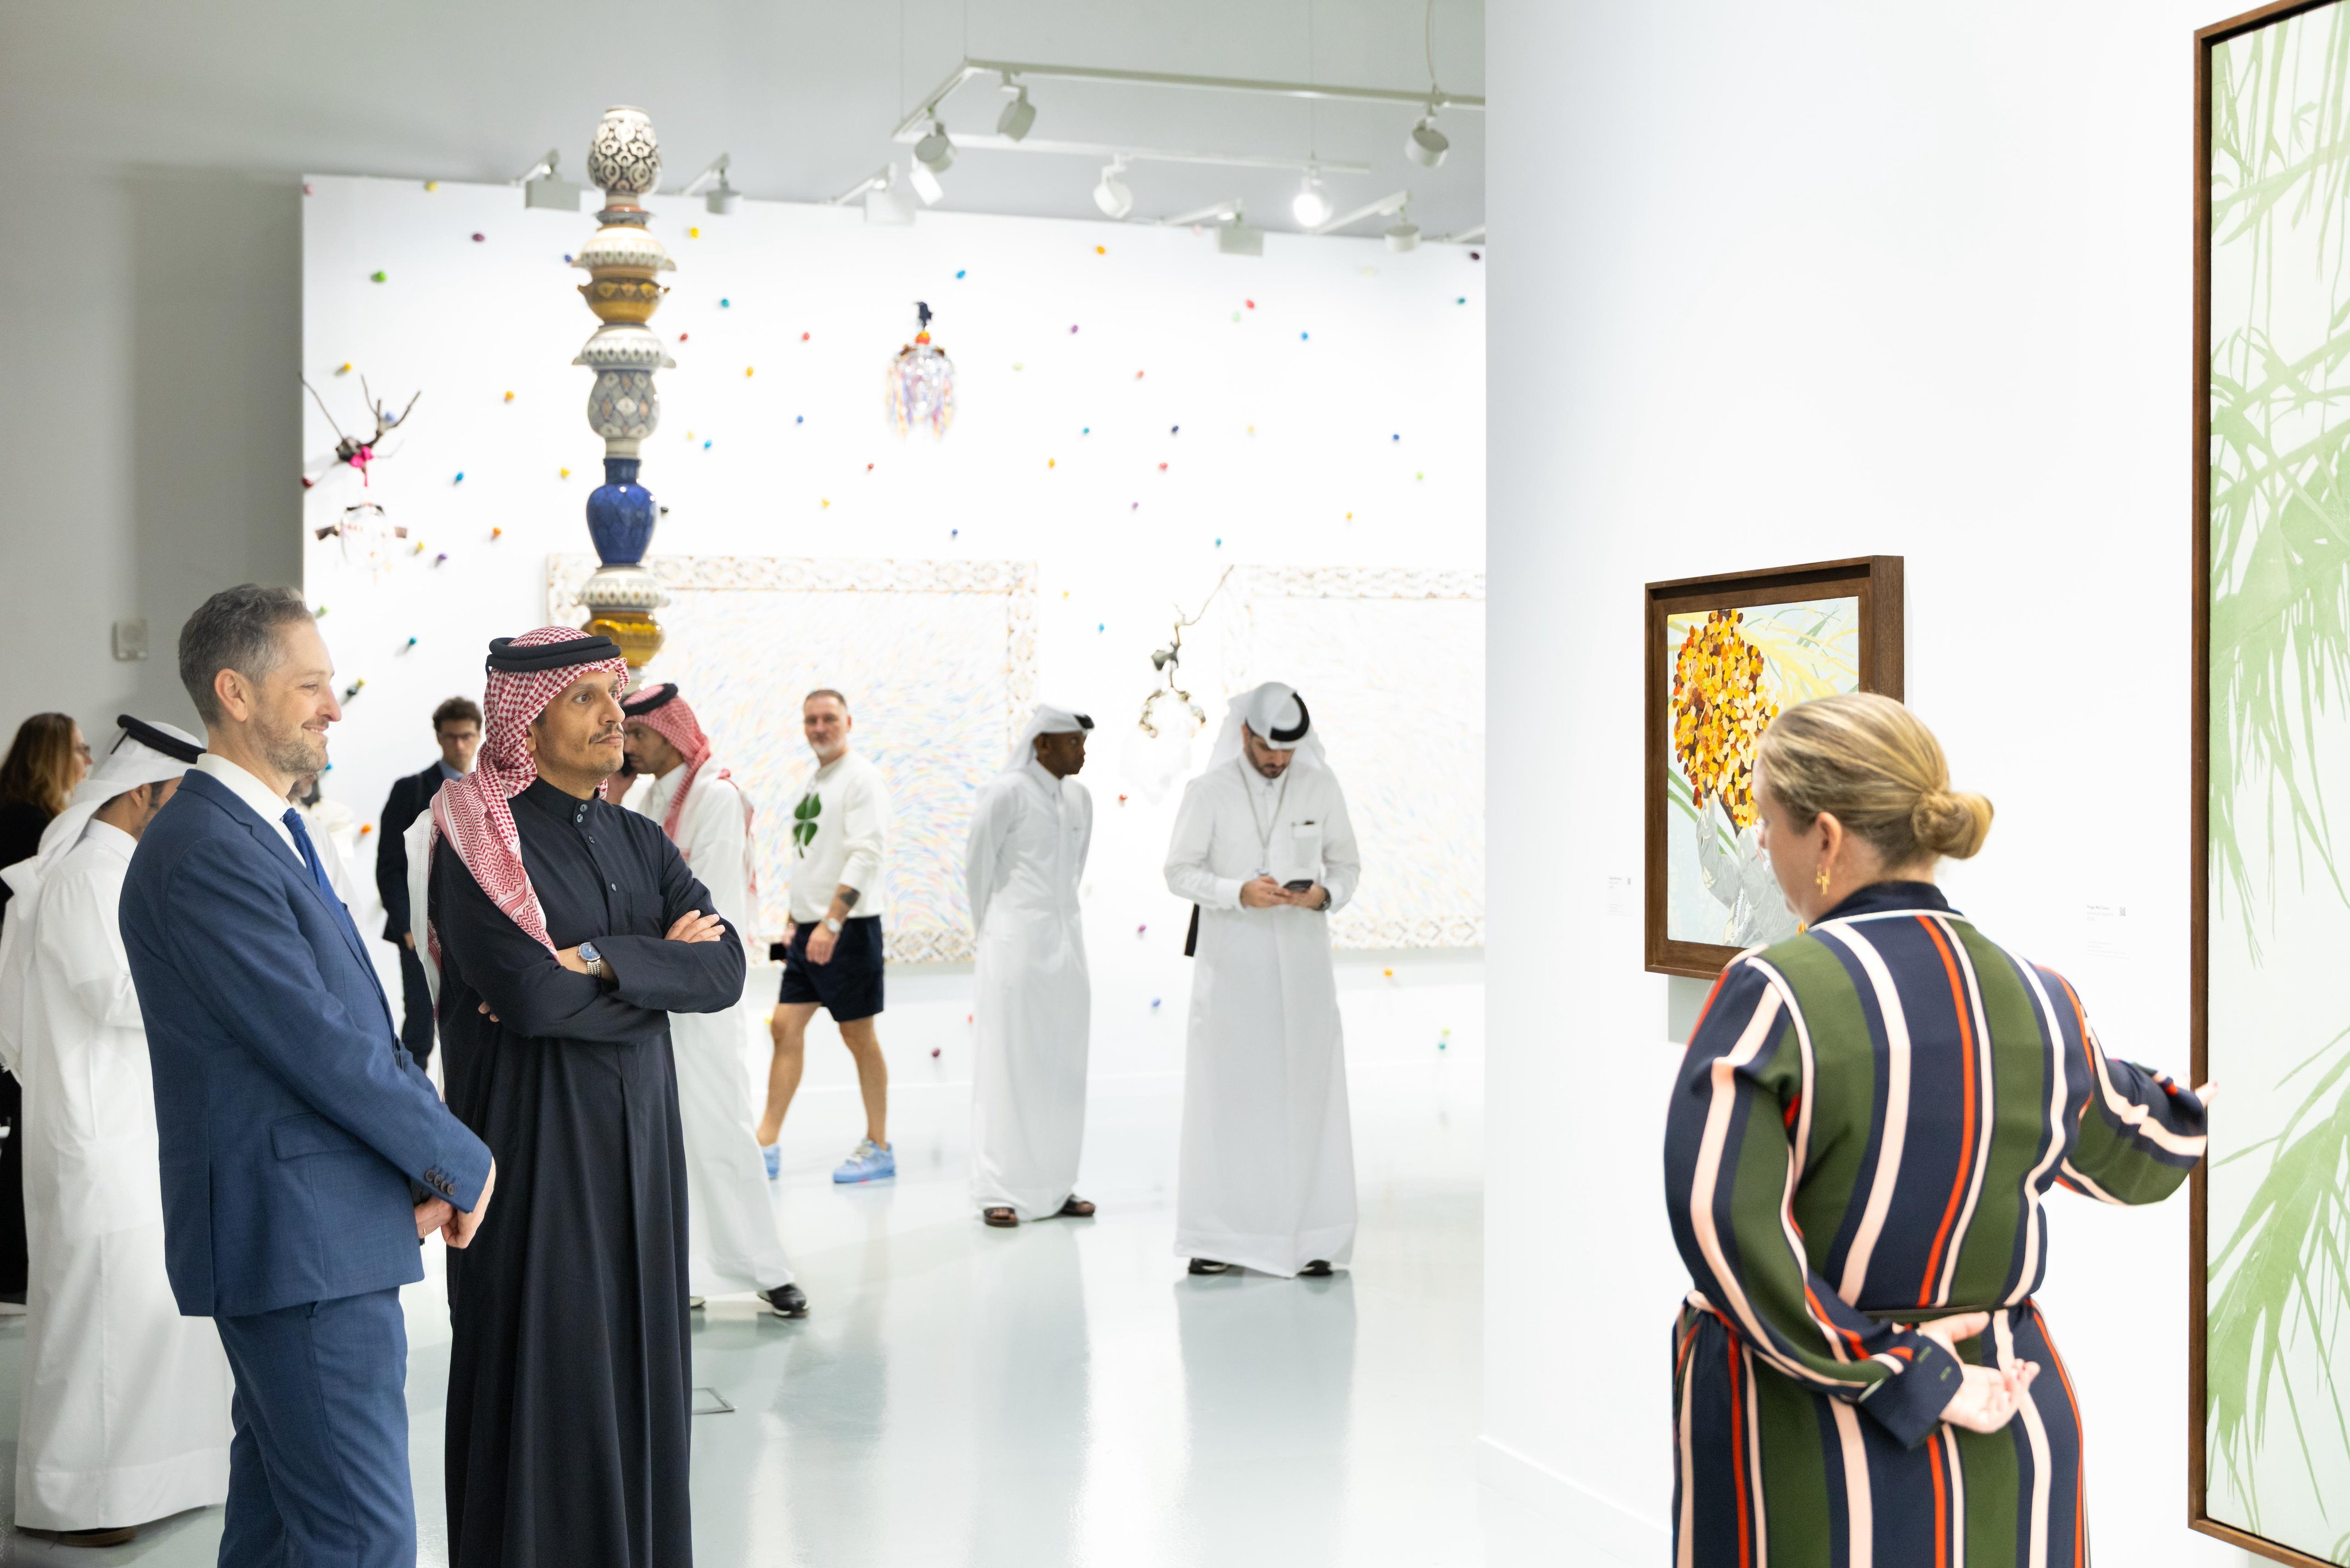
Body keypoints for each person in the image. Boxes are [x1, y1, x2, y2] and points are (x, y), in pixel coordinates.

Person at [1663, 694, 2209, 1565]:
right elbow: (2141, 1156)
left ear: (1827, 839)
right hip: (2010, 1424)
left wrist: (1903, 1369)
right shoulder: (2043, 998)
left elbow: (1725, 1227)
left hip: (1809, 1437)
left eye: (1766, 822)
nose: (1760, 845)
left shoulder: (1774, 992)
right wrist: (2211, 1104)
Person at [120, 583, 496, 1568]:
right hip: (299, 1242)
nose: (334, 706)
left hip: (318, 1232)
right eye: (311, 685)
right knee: (362, 1539)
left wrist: (411, 1168)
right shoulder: (208, 846)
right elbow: (322, 1043)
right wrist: (459, 1158)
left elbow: (343, 1025)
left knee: (281, 1530)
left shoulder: (265, 832)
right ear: (236, 692)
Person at [429, 628, 744, 1568]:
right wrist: (655, 977)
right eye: (588, 698)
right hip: (535, 1155)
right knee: (547, 1373)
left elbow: (724, 968)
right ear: (525, 724)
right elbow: (530, 999)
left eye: (617, 695)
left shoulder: (640, 839)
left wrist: (601, 959)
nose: (617, 715)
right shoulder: (477, 841)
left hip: (641, 1153)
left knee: (640, 1369)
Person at [0, 717, 230, 1546]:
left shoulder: (122, 868)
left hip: (136, 1127)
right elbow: (115, 995)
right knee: (98, 1316)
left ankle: (154, 1480)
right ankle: (81, 1502)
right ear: (143, 795)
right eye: (177, 799)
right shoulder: (83, 877)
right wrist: (223, 979)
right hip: (96, 1136)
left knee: (145, 1310)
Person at [621, 681, 808, 1318]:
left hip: (702, 988)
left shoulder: (717, 798)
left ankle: (767, 1268)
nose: (628, 745)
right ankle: (688, 1270)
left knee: (722, 1122)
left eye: (638, 734)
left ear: (671, 735)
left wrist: (655, 949)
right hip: (658, 986)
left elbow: (711, 910)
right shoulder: (649, 797)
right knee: (672, 1132)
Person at [1163, 682, 1361, 1279]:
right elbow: (1178, 871)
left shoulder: (1320, 785)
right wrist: (1236, 892)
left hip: (1303, 970)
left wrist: (1326, 895)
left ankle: (1314, 1235)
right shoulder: (1209, 792)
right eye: (1268, 748)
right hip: (1234, 970)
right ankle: (1219, 1237)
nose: (1278, 760)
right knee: (1230, 1099)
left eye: (1287, 751)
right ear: (1246, 733)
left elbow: (1347, 865)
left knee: (1308, 1097)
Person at [964, 704, 1097, 1228]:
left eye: (1083, 742)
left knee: (1063, 1064)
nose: (1081, 751)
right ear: (1042, 743)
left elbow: (1075, 869)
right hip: (1013, 943)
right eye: (1073, 742)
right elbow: (978, 868)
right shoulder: (1006, 793)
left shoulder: (1080, 799)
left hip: (1066, 944)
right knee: (1009, 1063)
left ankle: (1056, 1184)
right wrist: (994, 932)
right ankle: (998, 1188)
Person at [758, 688, 896, 1184]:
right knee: (784, 1027)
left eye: (829, 718)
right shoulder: (814, 781)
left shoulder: (862, 779)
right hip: (809, 931)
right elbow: (810, 858)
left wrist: (833, 922)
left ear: (848, 722)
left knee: (857, 1035)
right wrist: (796, 921)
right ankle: (766, 1144)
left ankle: (879, 1145)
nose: (819, 727)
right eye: (811, 719)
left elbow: (867, 853)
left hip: (847, 929)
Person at [0, 713, 91, 1312]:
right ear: (53, 756)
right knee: (26, 1126)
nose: (88, 760)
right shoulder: (35, 830)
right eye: (79, 749)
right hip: (17, 991)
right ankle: (14, 1265)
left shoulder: (23, 821)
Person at [376, 697, 481, 1067]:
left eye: (467, 736)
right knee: (420, 1028)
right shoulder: (412, 789)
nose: (460, 745)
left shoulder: (489, 791)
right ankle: (409, 1099)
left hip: (474, 928)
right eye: (451, 737)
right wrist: (408, 927)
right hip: (421, 926)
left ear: (479, 735)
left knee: (474, 1024)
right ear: (439, 737)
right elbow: (389, 866)